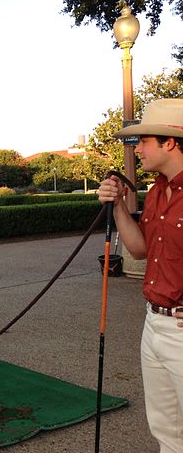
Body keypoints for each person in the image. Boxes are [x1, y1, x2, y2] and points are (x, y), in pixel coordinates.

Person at [98, 98, 183, 452]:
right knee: (166, 431)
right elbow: (139, 250)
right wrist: (118, 205)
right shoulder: (156, 193)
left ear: (170, 142)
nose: (137, 149)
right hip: (154, 325)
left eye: (144, 140)